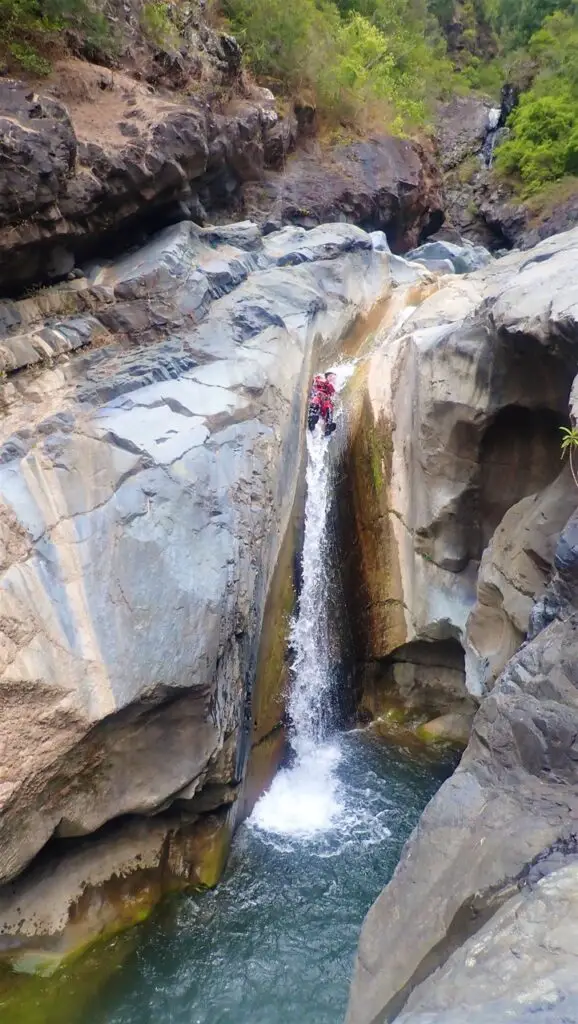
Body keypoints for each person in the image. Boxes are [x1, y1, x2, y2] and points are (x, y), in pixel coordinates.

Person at [308, 371, 337, 436]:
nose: (333, 379)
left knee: (329, 407)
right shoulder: (320, 380)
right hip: (318, 396)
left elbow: (333, 395)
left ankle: (328, 426)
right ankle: (312, 418)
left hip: (325, 401)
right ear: (327, 377)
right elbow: (314, 382)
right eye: (332, 377)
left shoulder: (332, 387)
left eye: (334, 378)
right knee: (316, 400)